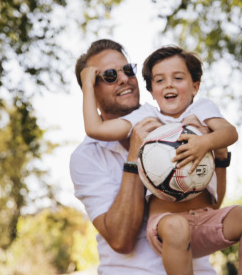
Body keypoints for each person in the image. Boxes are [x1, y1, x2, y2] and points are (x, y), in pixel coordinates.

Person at [80, 44, 242, 275]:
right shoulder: (146, 117)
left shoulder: (203, 110)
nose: (168, 84)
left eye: (128, 70)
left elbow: (230, 134)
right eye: (109, 76)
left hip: (202, 220)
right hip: (165, 224)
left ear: (195, 86)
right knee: (177, 227)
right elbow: (95, 129)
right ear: (152, 90)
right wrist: (88, 85)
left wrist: (208, 145)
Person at [70, 39, 219, 274]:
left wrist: (218, 156)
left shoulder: (176, 126)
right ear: (91, 91)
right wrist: (134, 156)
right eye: (109, 75)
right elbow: (121, 240)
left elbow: (212, 207)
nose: (124, 79)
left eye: (128, 70)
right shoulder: (86, 156)